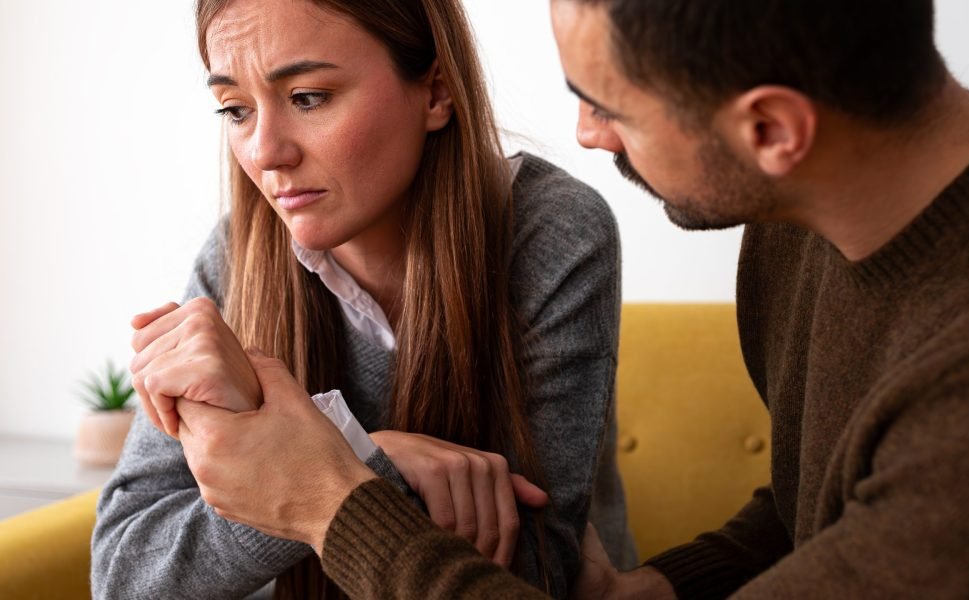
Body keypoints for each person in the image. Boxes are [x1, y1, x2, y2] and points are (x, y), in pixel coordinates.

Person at [170, 0, 969, 598]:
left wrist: (328, 496)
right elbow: (821, 505)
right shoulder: (822, 216)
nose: (585, 139)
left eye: (605, 105)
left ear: (771, 130)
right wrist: (658, 591)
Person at [90, 0, 638, 598]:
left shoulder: (551, 233)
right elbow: (122, 577)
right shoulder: (233, 257)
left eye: (308, 98)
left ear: (435, 92)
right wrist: (372, 455)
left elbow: (534, 574)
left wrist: (326, 467)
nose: (266, 153)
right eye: (235, 109)